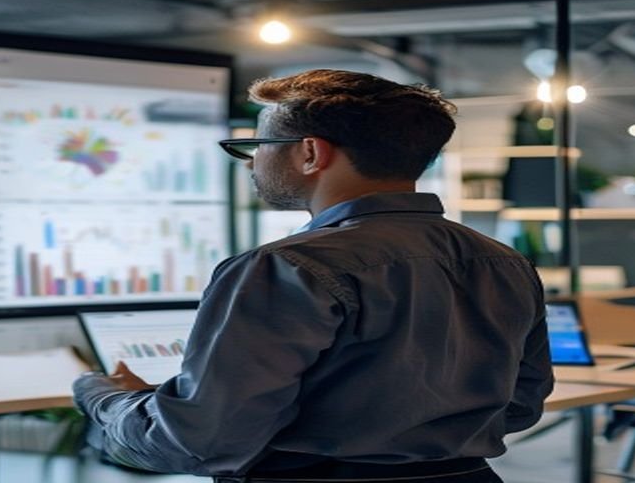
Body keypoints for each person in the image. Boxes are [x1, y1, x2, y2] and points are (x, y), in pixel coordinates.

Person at [72, 69, 553, 482]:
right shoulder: (504, 262)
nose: (255, 161)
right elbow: (520, 405)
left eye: (259, 145)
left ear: (309, 153)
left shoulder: (284, 267)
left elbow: (201, 442)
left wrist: (107, 399)